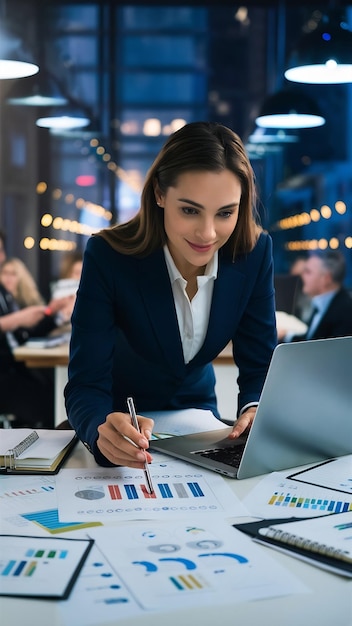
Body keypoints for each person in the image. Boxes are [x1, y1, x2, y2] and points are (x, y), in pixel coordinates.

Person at [64, 121, 277, 470]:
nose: (207, 234)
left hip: (199, 423)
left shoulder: (253, 254)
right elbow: (85, 383)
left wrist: (255, 407)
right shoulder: (109, 257)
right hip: (121, 427)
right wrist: (100, 429)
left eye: (225, 213)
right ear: (160, 195)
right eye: (190, 210)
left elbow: (260, 364)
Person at [0, 257, 75, 428]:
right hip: (7, 373)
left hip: (16, 369)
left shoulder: (10, 299)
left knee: (56, 385)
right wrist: (16, 320)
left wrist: (53, 312)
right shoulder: (9, 302)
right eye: (5, 273)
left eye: (13, 274)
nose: (8, 278)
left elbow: (28, 332)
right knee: (52, 397)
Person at [278, 250, 352, 342]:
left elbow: (321, 349)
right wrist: (286, 335)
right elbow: (311, 339)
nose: (302, 276)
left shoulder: (345, 311)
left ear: (326, 278)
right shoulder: (321, 304)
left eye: (308, 272)